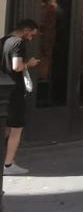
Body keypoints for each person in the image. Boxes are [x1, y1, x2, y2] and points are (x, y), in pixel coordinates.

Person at [2, 19, 39, 175]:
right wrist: (29, 64)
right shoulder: (18, 43)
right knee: (16, 128)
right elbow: (17, 66)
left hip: (4, 89)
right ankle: (8, 165)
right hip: (15, 91)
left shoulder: (3, 40)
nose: (31, 38)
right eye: (31, 34)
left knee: (6, 127)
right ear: (25, 30)